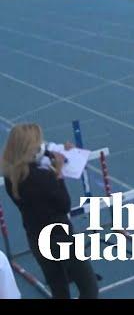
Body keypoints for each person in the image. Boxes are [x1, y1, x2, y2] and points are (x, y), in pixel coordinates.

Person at [2, 124, 99, 299]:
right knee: (89, 287)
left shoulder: (11, 176)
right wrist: (59, 173)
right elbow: (64, 204)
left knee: (59, 290)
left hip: (36, 238)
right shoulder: (44, 178)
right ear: (31, 150)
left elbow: (36, 162)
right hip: (61, 237)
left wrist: (61, 152)